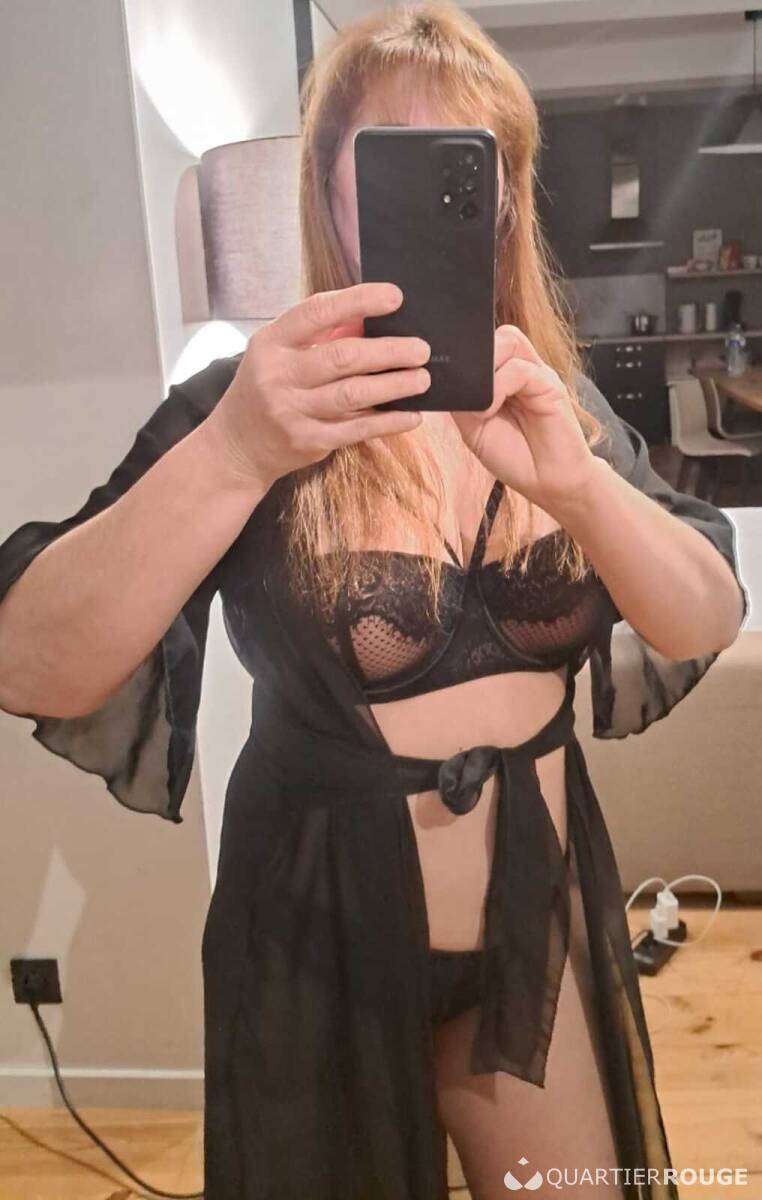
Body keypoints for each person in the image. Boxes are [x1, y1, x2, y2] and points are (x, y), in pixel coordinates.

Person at [0, 4, 747, 1198]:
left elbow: (704, 617)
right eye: (392, 157)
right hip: (318, 951)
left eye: (467, 163)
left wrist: (577, 486)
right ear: (330, 196)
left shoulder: (555, 403)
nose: (438, 195)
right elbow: (33, 664)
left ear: (506, 195)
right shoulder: (250, 407)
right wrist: (238, 450)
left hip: (529, 937)